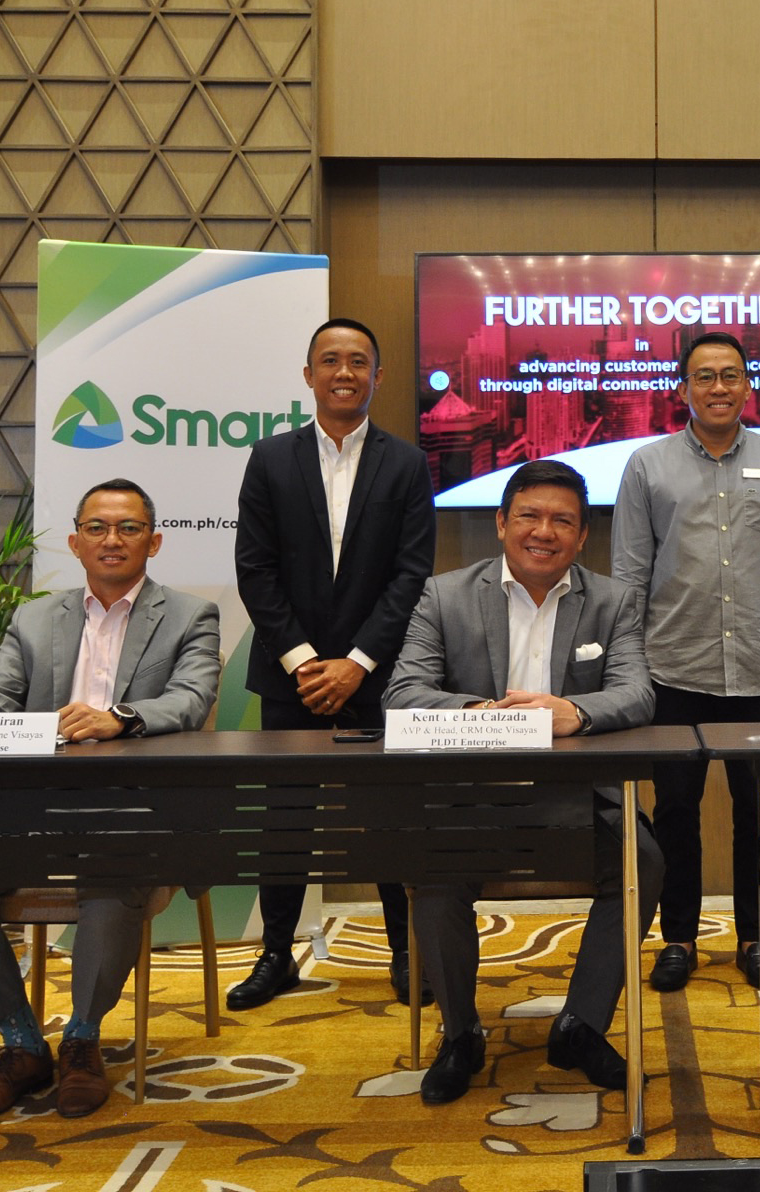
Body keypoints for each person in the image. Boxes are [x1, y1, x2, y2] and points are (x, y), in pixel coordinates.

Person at [0, 478, 221, 1123]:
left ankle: (83, 1039)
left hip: (133, 808)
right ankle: (23, 1044)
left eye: (129, 528)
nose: (112, 540)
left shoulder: (191, 615)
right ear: (75, 541)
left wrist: (122, 717)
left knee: (112, 876)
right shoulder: (35, 618)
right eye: (97, 528)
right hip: (35, 810)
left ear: (153, 542)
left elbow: (191, 700)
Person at [382, 460, 661, 1104]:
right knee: (432, 873)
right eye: (529, 516)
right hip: (470, 799)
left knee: (643, 862)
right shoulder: (445, 595)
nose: (544, 531)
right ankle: (460, 1034)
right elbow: (403, 693)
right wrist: (487, 714)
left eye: (562, 521)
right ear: (501, 523)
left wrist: (575, 712)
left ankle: (581, 1025)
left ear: (582, 537)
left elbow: (637, 693)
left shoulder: (613, 601)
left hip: (579, 801)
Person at [227, 317, 436, 1010]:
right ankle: (276, 955)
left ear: (377, 375)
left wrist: (358, 663)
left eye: (358, 361)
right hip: (292, 677)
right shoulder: (269, 458)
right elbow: (255, 570)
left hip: (378, 676)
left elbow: (411, 575)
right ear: (309, 374)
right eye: (330, 360)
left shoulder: (406, 463)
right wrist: (305, 663)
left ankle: (405, 951)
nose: (344, 373)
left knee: (389, 818)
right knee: (285, 820)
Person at [612, 330, 760, 993]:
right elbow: (628, 576)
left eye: (730, 375)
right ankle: (678, 938)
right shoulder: (647, 465)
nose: (718, 387)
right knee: (675, 812)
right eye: (704, 376)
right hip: (671, 665)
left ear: (748, 387)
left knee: (756, 813)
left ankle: (754, 937)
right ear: (683, 390)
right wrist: (628, 668)